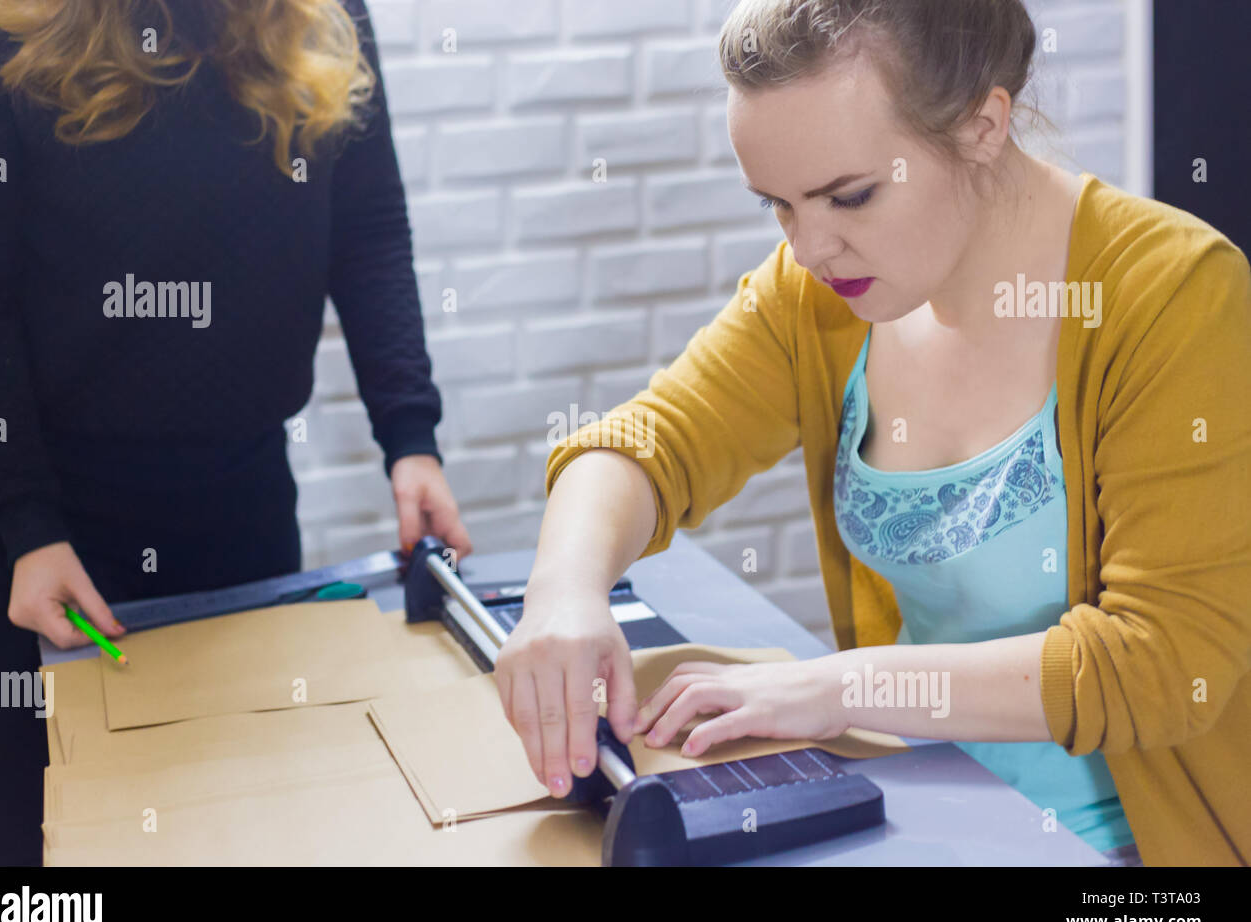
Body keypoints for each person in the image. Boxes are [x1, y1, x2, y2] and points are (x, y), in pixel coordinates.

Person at [497, 0, 1251, 867]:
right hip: (922, 814)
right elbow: (653, 441)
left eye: (848, 195)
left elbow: (1162, 666)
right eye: (778, 204)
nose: (811, 246)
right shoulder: (822, 293)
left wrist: (837, 689)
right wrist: (561, 593)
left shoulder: (1173, 295)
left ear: (982, 126)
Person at [0, 0, 471, 865]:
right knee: (38, 880)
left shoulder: (322, 16)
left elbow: (370, 231)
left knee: (238, 841)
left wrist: (409, 437)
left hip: (244, 521)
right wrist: (27, 526)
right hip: (46, 547)